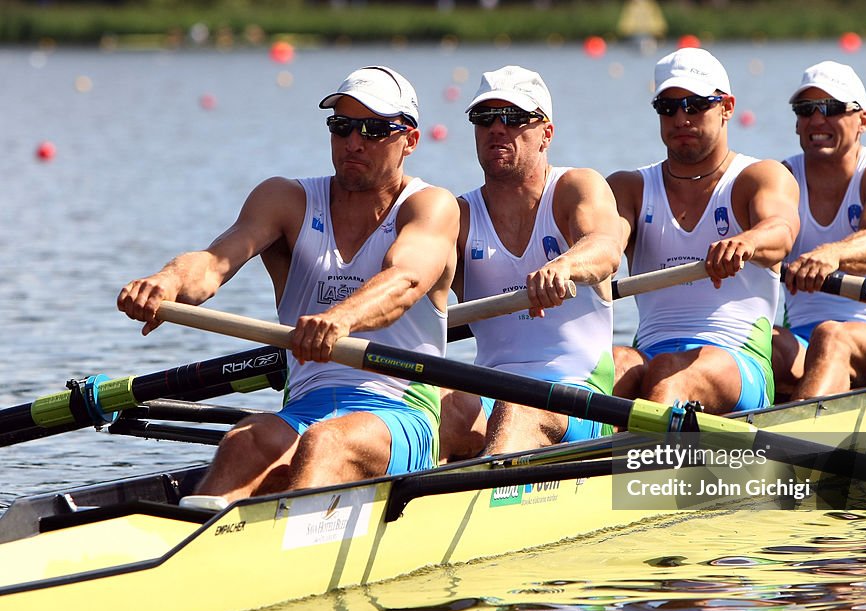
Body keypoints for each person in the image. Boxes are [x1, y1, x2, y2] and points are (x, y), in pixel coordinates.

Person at [118, 66, 460, 502]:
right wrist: (165, 281)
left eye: (374, 130)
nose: (353, 142)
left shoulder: (431, 206)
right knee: (245, 439)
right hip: (304, 408)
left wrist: (339, 320)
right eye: (342, 127)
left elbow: (405, 281)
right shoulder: (285, 200)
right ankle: (196, 541)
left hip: (399, 412)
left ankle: (286, 545)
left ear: (410, 140)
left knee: (327, 443)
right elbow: (212, 264)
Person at [438, 66, 625, 462]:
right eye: (485, 118)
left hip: (578, 398)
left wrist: (565, 267)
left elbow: (606, 248)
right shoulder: (459, 215)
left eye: (514, 118)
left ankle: (486, 505)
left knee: (517, 410)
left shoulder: (576, 187)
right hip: (491, 396)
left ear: (547, 133)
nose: (497, 129)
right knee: (427, 405)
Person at [609, 48, 800, 414]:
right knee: (614, 363)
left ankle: (643, 466)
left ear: (727, 107)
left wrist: (748, 240)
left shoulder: (758, 177)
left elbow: (781, 231)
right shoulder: (628, 188)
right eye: (668, 107)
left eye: (695, 105)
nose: (681, 117)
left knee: (667, 371)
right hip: (650, 353)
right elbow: (605, 244)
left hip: (737, 361)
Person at [773, 60, 866, 399]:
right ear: (797, 123)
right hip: (802, 343)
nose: (817, 119)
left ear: (863, 120)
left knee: (833, 335)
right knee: (753, 344)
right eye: (806, 109)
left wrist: (832, 254)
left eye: (832, 108)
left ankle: (800, 436)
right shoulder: (782, 180)